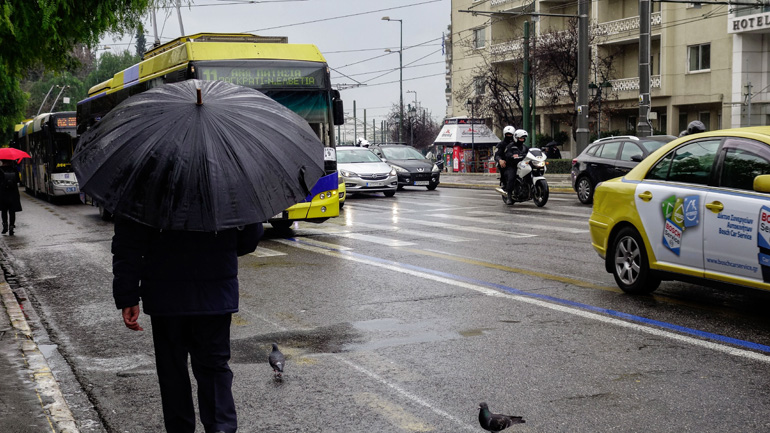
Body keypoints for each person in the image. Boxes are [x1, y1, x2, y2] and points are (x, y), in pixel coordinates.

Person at [112, 217, 263, 433]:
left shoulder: (147, 186)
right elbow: (250, 237)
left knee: (172, 369)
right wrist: (219, 248)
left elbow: (128, 242)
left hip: (165, 292)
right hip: (215, 290)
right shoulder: (226, 186)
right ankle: (221, 428)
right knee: (214, 367)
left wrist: (127, 296)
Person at [495, 128, 529, 205]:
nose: (509, 136)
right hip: (510, 164)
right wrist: (500, 160)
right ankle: (509, 196)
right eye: (507, 134)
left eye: (510, 134)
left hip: (522, 164)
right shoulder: (506, 145)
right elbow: (500, 154)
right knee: (511, 176)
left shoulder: (524, 147)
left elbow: (529, 153)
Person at [0, 160, 22, 236]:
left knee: (4, 211)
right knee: (12, 211)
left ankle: (5, 225)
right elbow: (18, 180)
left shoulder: (0, 169)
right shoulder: (14, 169)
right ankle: (11, 227)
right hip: (13, 193)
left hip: (3, 193)